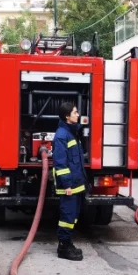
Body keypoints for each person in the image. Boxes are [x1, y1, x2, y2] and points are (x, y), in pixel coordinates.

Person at [52, 102, 86, 262]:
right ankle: (63, 247)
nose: (77, 114)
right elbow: (60, 164)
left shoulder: (72, 133)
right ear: (67, 116)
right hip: (69, 187)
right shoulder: (61, 136)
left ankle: (68, 242)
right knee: (67, 216)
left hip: (76, 184)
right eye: (75, 112)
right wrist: (67, 185)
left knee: (73, 216)